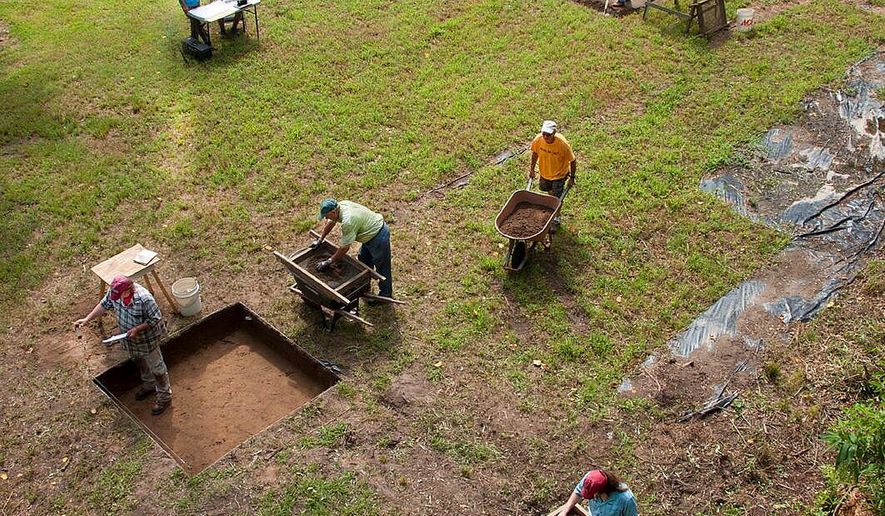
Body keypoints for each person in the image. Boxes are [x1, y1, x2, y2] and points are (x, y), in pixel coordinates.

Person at [75, 275, 173, 415]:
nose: (116, 298)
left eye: (119, 295)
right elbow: (104, 305)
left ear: (129, 289)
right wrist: (86, 319)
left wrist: (137, 329)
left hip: (148, 339)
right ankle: (149, 384)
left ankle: (164, 396)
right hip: (130, 339)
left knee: (157, 366)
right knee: (139, 359)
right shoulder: (115, 292)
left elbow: (155, 319)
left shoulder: (145, 299)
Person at [311, 198, 393, 300]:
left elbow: (344, 248)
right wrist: (320, 239)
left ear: (333, 211)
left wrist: (329, 261)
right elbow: (331, 222)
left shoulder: (348, 221)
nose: (325, 218)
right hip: (368, 234)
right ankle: (364, 286)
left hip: (378, 237)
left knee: (382, 266)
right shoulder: (340, 206)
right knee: (363, 260)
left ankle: (386, 294)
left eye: (326, 216)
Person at [528, 120, 577, 231]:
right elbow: (535, 153)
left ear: (554, 132)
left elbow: (573, 160)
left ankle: (556, 218)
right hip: (545, 174)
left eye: (548, 134)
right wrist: (532, 169)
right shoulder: (538, 139)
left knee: (557, 199)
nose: (545, 136)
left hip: (559, 176)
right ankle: (552, 210)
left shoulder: (562, 144)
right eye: (543, 133)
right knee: (550, 194)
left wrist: (572, 178)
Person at [556, 469, 638, 516]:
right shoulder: (589, 478)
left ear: (602, 491)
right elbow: (578, 492)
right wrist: (565, 511)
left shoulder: (626, 500)